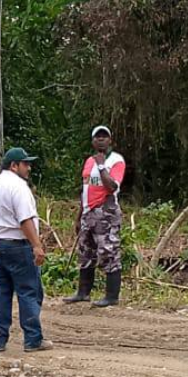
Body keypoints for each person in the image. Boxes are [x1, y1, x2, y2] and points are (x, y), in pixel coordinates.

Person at [0, 147, 53, 353]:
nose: (28, 168)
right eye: (25, 164)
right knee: (29, 291)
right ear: (14, 166)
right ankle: (33, 339)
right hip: (18, 245)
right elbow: (25, 220)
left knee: (1, 291)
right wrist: (36, 245)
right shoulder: (19, 187)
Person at [64, 125, 127, 307]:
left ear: (110, 140)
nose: (101, 139)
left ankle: (112, 296)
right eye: (97, 137)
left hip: (106, 212)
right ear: (92, 141)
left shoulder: (116, 160)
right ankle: (83, 293)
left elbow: (112, 186)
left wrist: (101, 165)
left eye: (104, 136)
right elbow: (85, 189)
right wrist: (79, 216)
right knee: (86, 252)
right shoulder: (89, 161)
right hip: (88, 212)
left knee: (109, 251)